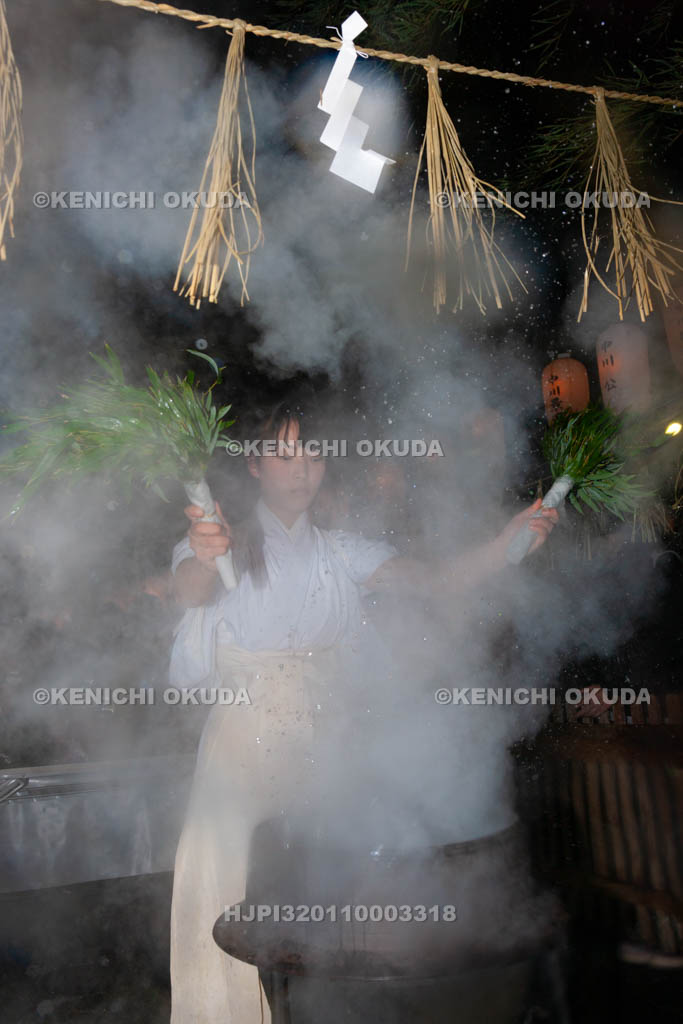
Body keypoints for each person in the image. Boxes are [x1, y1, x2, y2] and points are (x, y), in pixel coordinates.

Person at [168, 397, 558, 1024]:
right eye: (284, 453)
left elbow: (433, 580)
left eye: (313, 453)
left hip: (326, 748)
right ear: (255, 468)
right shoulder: (220, 540)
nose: (302, 467)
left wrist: (505, 543)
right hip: (242, 750)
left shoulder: (340, 550)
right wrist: (200, 550)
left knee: (329, 902)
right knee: (229, 890)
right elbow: (190, 588)